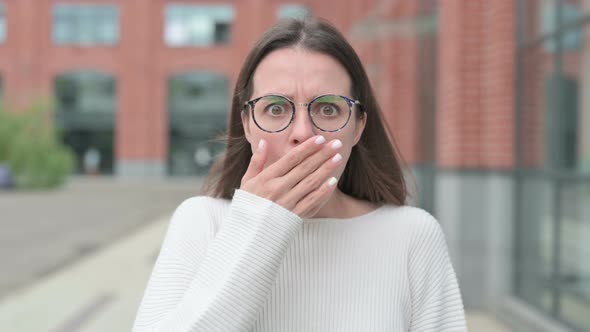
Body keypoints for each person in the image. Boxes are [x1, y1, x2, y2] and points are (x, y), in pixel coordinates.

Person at [132, 17, 466, 332]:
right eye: (276, 109)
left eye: (328, 108)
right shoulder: (202, 221)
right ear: (247, 124)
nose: (303, 133)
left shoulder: (411, 235)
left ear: (358, 127)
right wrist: (262, 224)